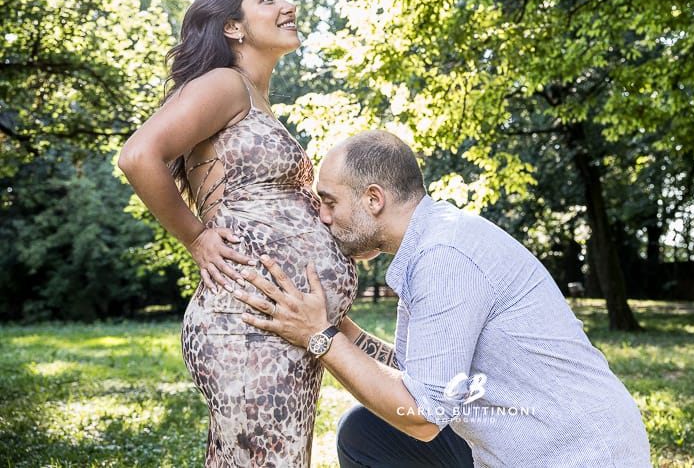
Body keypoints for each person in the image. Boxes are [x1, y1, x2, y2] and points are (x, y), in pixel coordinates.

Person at [234, 130, 652, 467]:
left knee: (389, 425)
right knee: (365, 433)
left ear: (373, 199)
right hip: (527, 447)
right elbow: (423, 375)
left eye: (329, 202)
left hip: (578, 455)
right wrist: (342, 329)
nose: (323, 217)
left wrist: (320, 338)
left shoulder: (443, 257)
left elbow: (422, 415)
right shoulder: (429, 244)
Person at [118, 0, 357, 466]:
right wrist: (196, 238)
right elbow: (138, 155)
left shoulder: (258, 100)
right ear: (233, 26)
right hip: (243, 327)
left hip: (274, 325)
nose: (286, 6)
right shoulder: (225, 84)